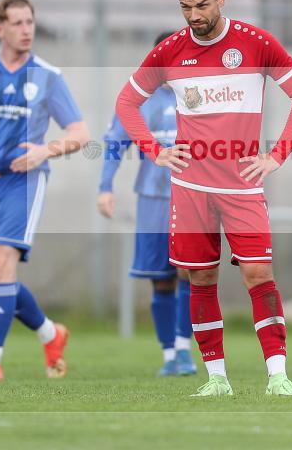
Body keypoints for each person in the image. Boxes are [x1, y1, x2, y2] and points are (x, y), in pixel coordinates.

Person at [115, 0, 292, 397]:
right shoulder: (169, 50)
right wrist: (156, 151)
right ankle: (216, 379)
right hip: (190, 190)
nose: (193, 16)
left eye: (201, 5)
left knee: (259, 275)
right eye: (185, 7)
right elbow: (127, 103)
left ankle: (278, 375)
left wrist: (276, 155)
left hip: (242, 187)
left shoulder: (255, 43)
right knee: (200, 280)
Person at [0, 0, 91, 381]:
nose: (26, 30)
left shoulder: (48, 76)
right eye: (17, 23)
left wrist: (45, 151)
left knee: (0, 266)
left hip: (25, 183)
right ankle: (51, 334)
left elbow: (81, 134)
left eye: (30, 22)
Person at [98, 31, 196, 377]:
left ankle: (185, 351)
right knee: (161, 279)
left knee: (191, 271)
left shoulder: (202, 94)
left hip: (193, 195)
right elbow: (114, 143)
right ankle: (169, 354)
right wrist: (105, 186)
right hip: (153, 196)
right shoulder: (138, 100)